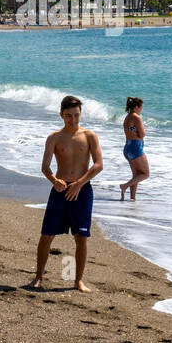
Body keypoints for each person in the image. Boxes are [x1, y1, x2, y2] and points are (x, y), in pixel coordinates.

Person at [31, 96, 104, 293]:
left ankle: (77, 280)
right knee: (47, 235)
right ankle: (38, 277)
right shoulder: (54, 137)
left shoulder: (89, 136)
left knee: (81, 237)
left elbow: (98, 165)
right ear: (61, 115)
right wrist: (54, 181)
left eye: (76, 115)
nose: (73, 119)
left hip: (82, 190)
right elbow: (45, 167)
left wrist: (79, 184)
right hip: (60, 190)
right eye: (69, 116)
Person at [119, 95, 149, 201]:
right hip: (135, 147)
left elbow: (131, 130)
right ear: (136, 107)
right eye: (141, 108)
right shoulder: (136, 117)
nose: (141, 110)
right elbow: (142, 134)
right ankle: (125, 186)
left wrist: (137, 130)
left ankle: (132, 199)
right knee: (145, 174)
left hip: (128, 147)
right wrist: (143, 128)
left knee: (136, 175)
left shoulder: (127, 118)